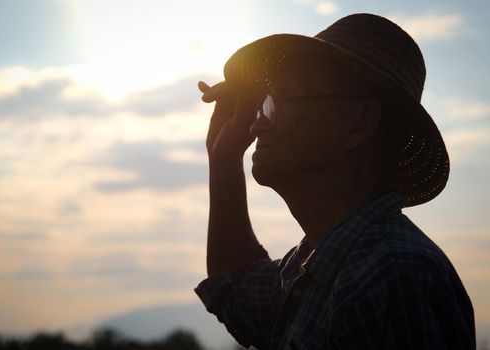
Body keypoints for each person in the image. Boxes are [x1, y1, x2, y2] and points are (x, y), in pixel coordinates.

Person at [194, 13, 475, 349]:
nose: (256, 126)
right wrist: (222, 157)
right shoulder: (320, 263)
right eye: (264, 106)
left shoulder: (394, 275)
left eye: (281, 101)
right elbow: (234, 288)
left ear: (359, 122)